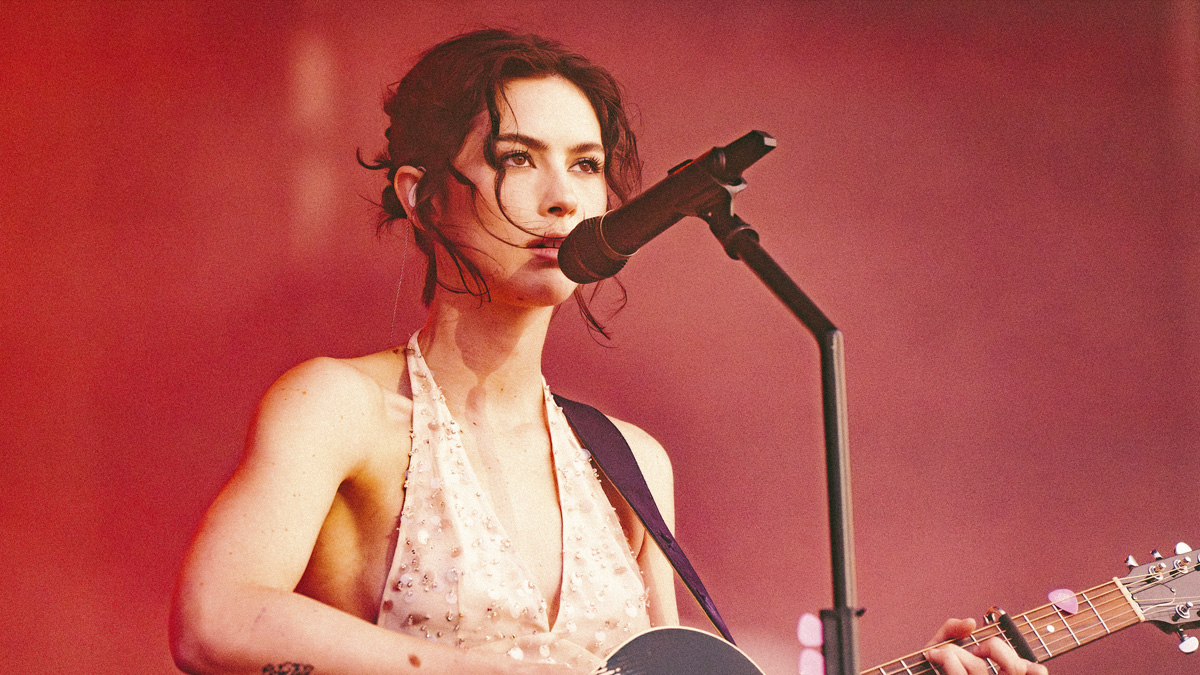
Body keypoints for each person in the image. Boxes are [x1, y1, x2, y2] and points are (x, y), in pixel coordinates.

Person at [169, 29, 1048, 675]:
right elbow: (215, 620)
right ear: (422, 195)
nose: (563, 198)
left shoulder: (631, 462)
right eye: (519, 158)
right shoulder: (341, 408)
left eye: (586, 166)